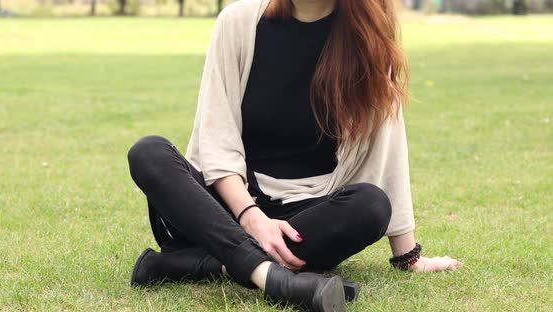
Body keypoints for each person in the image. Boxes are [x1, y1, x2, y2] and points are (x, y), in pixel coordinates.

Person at [127, 0, 462, 311]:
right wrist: (251, 218)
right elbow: (216, 142)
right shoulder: (238, 23)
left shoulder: (366, 38)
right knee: (149, 152)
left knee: (372, 205)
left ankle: (188, 264)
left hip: (303, 217)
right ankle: (273, 278)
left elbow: (389, 151)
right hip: (227, 205)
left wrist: (409, 256)